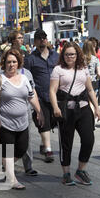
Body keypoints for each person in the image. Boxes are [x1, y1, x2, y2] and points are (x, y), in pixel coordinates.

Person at [0, 48, 44, 190]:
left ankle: (6, 167)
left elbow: (31, 96)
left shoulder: (24, 78)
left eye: (14, 62)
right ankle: (12, 180)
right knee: (8, 150)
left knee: (21, 148)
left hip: (23, 122)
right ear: (4, 63)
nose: (11, 65)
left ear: (19, 63)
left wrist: (39, 111)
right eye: (8, 62)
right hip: (5, 122)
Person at [49, 42, 100, 186]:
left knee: (88, 139)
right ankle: (66, 173)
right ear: (63, 55)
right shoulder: (58, 70)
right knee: (66, 142)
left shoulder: (83, 68)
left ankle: (81, 170)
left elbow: (90, 90)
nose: (69, 57)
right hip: (66, 110)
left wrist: (96, 108)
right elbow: (52, 91)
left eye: (72, 54)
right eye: (67, 54)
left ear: (77, 54)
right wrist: (55, 107)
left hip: (83, 109)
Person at [24, 29, 59, 163]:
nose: (42, 40)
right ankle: (49, 150)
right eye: (39, 38)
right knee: (43, 122)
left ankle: (45, 144)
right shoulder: (30, 59)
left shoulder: (55, 56)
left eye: (44, 38)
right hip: (40, 96)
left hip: (56, 96)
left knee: (54, 121)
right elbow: (27, 77)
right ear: (35, 42)